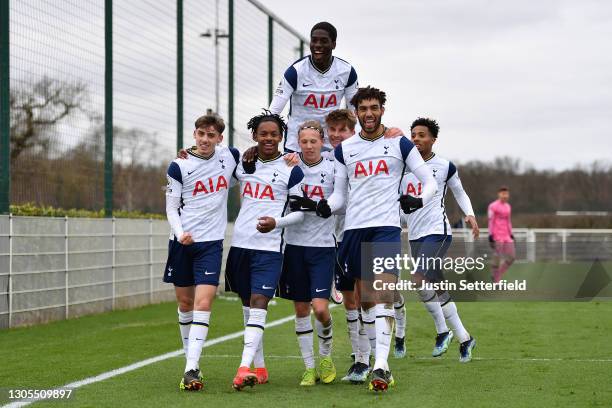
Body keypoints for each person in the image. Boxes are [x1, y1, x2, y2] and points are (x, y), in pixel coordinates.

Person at [292, 86, 437, 392]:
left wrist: (418, 201)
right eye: (363, 109)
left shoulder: (399, 143)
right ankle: (368, 359)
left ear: (382, 109)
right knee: (364, 301)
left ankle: (381, 367)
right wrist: (324, 205)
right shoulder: (347, 150)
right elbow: (341, 197)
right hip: (352, 232)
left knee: (383, 294)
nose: (369, 113)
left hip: (384, 229)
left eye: (374, 108)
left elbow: (429, 182)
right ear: (356, 113)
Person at [225, 111, 305, 391]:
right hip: (240, 246)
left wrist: (276, 223)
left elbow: (299, 214)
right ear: (255, 136)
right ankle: (259, 367)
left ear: (282, 137)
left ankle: (243, 368)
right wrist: (188, 153)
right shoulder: (243, 164)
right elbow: (216, 166)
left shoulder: (291, 168)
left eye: (274, 134)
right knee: (248, 307)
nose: (269, 138)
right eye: (263, 134)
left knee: (260, 302)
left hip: (270, 249)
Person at [163, 114, 239, 390]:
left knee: (203, 304)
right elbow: (171, 207)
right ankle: (190, 361)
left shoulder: (229, 156)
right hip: (182, 242)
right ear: (194, 134)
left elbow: (257, 163)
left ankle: (191, 368)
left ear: (220, 138)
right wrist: (180, 232)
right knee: (185, 304)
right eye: (201, 134)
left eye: (211, 135)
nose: (205, 140)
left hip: (211, 243)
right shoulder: (179, 165)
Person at [400, 117, 478, 363]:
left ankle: (443, 332)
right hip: (414, 234)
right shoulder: (402, 166)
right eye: (413, 135)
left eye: (422, 135)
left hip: (438, 232)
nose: (416, 139)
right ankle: (465, 338)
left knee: (418, 277)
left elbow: (460, 192)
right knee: (436, 285)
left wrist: (470, 215)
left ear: (433, 139)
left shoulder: (445, 166)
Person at [274, 120, 337, 386]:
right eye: (304, 141)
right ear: (297, 142)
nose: (309, 146)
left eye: (313, 141)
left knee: (321, 309)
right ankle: (309, 367)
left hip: (323, 247)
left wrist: (316, 205)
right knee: (301, 309)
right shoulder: (289, 164)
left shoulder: (334, 167)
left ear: (322, 141)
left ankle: (326, 356)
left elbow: (341, 203)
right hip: (295, 247)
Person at [269, 21, 358, 153]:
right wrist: (258, 144)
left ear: (333, 44)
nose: (317, 45)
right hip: (297, 144)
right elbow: (273, 111)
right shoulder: (296, 71)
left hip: (329, 143)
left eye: (323, 41)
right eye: (314, 40)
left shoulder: (347, 71)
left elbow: (354, 113)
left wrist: (359, 142)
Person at [488, 186, 515, 282]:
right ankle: (496, 280)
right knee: (497, 258)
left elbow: (508, 221)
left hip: (507, 236)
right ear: (499, 194)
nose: (505, 195)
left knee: (511, 258)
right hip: (496, 236)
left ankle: (496, 275)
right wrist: (490, 235)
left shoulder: (508, 206)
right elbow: (491, 221)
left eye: (506, 194)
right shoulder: (492, 206)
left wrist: (511, 233)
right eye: (503, 193)